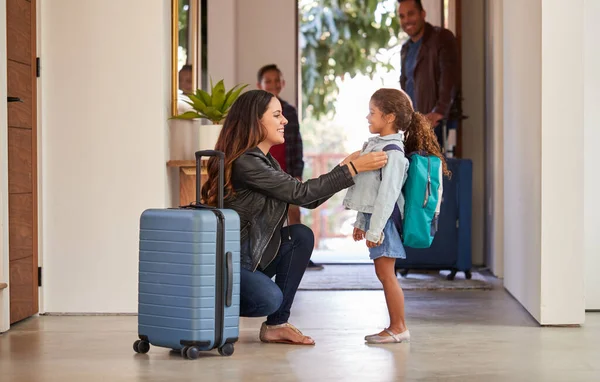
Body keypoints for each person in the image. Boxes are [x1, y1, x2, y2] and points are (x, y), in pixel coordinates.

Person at [201, 89, 388, 345]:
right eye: (277, 115)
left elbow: (307, 199)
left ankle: (277, 325)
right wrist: (351, 170)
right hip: (233, 266)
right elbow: (301, 193)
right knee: (268, 299)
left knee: (300, 235)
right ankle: (214, 305)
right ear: (256, 122)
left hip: (251, 260)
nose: (285, 121)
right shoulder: (247, 163)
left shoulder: (263, 161)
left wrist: (346, 168)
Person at [343, 88, 449, 344]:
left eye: (372, 112)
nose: (368, 118)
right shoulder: (376, 147)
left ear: (389, 117)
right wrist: (361, 222)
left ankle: (398, 327)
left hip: (385, 221)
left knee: (386, 274)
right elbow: (368, 190)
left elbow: (388, 196)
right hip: (376, 220)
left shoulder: (393, 153)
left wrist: (376, 229)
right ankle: (396, 326)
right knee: (383, 273)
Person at [256, 64, 323, 270]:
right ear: (260, 85)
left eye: (277, 81)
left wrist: (297, 172)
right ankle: (263, 256)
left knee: (294, 212)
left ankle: (300, 256)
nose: (274, 85)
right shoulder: (254, 113)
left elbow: (296, 143)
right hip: (262, 170)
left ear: (283, 83)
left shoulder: (289, 112)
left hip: (286, 171)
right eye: (269, 81)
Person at [398, 0, 460, 150]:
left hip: (435, 122)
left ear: (422, 14)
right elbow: (406, 83)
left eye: (411, 14)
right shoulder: (406, 48)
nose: (406, 20)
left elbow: (449, 77)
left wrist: (439, 112)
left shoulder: (441, 37)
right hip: (415, 124)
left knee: (433, 170)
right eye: (402, 16)